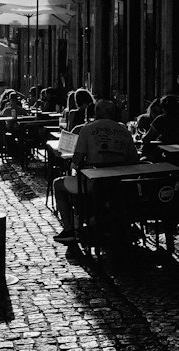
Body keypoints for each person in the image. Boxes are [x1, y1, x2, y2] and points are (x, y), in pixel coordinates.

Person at [53, 99, 137, 244]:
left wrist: (73, 164)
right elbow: (134, 159)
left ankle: (69, 229)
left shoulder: (87, 129)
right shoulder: (124, 130)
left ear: (96, 113)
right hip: (120, 184)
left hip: (95, 183)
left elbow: (77, 159)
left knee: (58, 184)